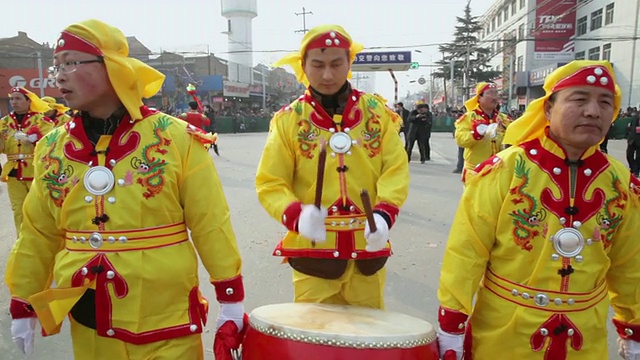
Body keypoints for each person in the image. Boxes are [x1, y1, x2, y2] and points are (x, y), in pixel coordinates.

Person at [5, 19, 246, 360]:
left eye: (71, 63)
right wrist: (24, 300)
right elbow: (38, 234)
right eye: (57, 66)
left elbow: (210, 222)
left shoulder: (173, 137)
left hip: (167, 313)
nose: (58, 76)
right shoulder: (51, 148)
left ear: (113, 67)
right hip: (91, 315)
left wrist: (231, 296)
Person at [437, 60, 640, 360]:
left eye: (605, 102)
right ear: (547, 109)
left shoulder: (621, 183)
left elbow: (630, 265)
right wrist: (451, 324)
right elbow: (466, 253)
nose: (593, 111)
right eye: (579, 99)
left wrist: (632, 327)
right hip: (504, 336)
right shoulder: (506, 171)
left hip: (585, 341)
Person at [255, 24, 409, 309]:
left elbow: (395, 169)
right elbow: (270, 182)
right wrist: (296, 215)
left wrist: (385, 215)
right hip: (313, 255)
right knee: (314, 341)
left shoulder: (378, 114)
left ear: (350, 63)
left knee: (368, 343)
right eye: (318, 65)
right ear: (303, 66)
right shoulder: (288, 120)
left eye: (337, 64)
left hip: (368, 251)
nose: (327, 75)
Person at [0, 87, 55, 235]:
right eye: (12, 99)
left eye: (18, 98)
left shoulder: (41, 120)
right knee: (18, 209)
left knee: (38, 210)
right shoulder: (4, 123)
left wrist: (36, 140)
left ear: (28, 101)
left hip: (35, 171)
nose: (14, 102)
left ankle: (40, 241)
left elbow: (52, 143)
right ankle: (22, 241)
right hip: (13, 173)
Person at [454, 82, 512, 183]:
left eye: (496, 93)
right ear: (479, 98)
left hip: (499, 170)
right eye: (490, 93)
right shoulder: (469, 117)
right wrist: (475, 134)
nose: (494, 97)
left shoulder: (504, 119)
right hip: (475, 170)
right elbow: (460, 139)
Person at [626, 110, 640, 176]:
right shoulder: (635, 117)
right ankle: (633, 168)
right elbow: (631, 126)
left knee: (638, 157)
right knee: (629, 155)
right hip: (632, 139)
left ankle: (636, 171)